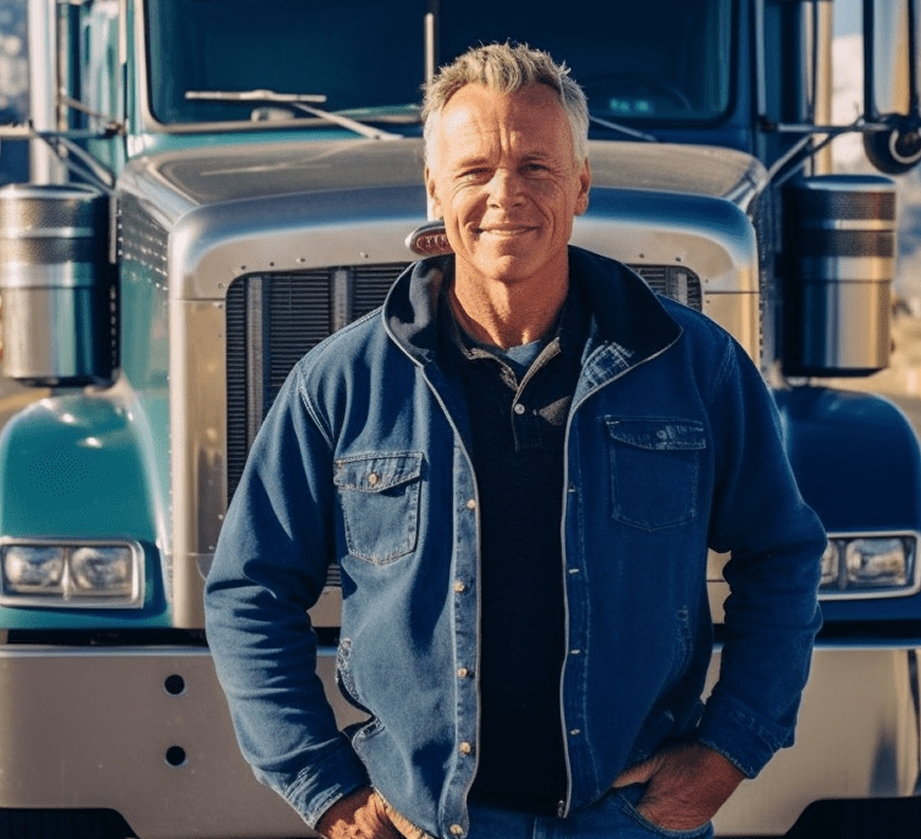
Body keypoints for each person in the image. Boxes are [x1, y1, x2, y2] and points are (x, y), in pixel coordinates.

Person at [204, 42, 826, 839]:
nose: (506, 195)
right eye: (475, 171)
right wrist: (327, 794)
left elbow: (781, 554)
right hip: (420, 823)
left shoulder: (695, 366)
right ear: (434, 187)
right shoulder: (341, 381)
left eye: (536, 166)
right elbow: (250, 590)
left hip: (627, 820)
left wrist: (723, 757)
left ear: (581, 185)